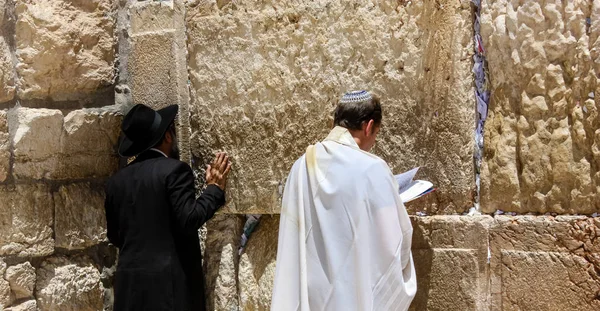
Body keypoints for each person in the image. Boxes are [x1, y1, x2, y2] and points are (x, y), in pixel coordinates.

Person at [271, 90, 417, 311]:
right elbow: (396, 243)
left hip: (311, 298)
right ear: (369, 127)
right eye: (375, 134)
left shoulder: (300, 167)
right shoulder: (373, 170)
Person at [104, 104, 232, 311]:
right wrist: (214, 189)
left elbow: (115, 236)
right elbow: (189, 219)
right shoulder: (175, 171)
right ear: (167, 137)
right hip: (170, 292)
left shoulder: (115, 182)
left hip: (129, 292)